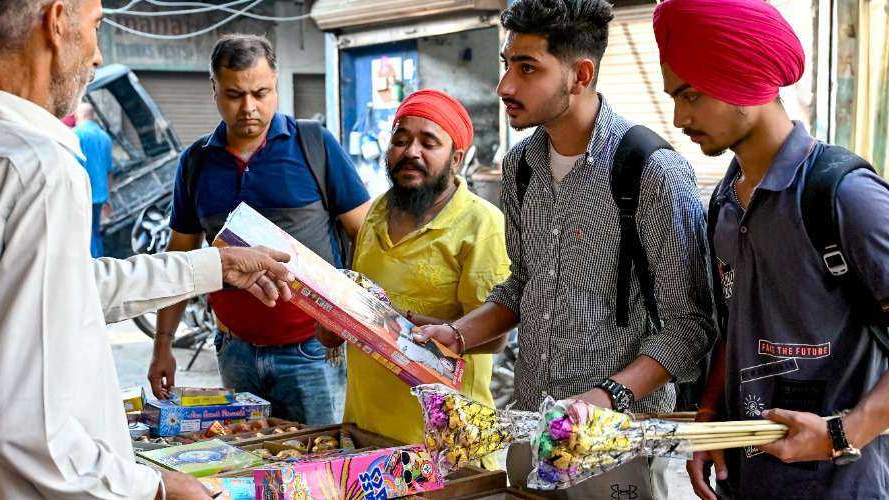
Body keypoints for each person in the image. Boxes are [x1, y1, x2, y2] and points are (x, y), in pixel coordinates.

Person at [0, 1, 296, 499]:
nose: (98, 55)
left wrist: (217, 265)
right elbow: (28, 425)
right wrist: (154, 488)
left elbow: (72, 292)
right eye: (98, 26)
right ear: (58, 21)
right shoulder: (39, 171)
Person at [414, 0, 715, 497]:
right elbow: (526, 283)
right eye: (507, 64)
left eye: (527, 68)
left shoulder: (652, 171)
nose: (505, 86)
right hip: (530, 427)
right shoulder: (520, 167)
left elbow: (692, 325)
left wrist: (608, 396)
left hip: (618, 444)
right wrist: (457, 334)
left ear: (580, 74)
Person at [651, 1, 889, 499]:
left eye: (690, 94)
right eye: (674, 96)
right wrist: (711, 418)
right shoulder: (724, 201)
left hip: (843, 485)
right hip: (748, 479)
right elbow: (736, 321)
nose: (679, 117)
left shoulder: (844, 195)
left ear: (744, 80)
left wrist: (841, 435)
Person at [148, 34, 371, 426]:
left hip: (313, 352)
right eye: (234, 94)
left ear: (276, 86)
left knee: (319, 468)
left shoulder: (313, 146)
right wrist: (162, 344)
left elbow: (368, 236)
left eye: (261, 92)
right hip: (234, 351)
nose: (249, 107)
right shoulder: (196, 163)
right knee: (250, 460)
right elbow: (179, 258)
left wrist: (356, 323)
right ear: (214, 88)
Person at [317, 90, 510, 458]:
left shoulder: (480, 223)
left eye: (429, 142)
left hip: (444, 444)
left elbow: (495, 337)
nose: (411, 152)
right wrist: (332, 317)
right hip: (366, 434)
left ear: (455, 158)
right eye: (400, 140)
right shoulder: (375, 213)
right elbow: (360, 304)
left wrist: (420, 332)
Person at [74, 102, 113, 257]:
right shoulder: (105, 137)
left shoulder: (76, 134)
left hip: (80, 194)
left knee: (81, 235)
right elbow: (109, 171)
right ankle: (98, 266)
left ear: (79, 115)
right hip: (99, 195)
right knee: (94, 233)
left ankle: (88, 270)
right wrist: (108, 199)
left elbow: (72, 167)